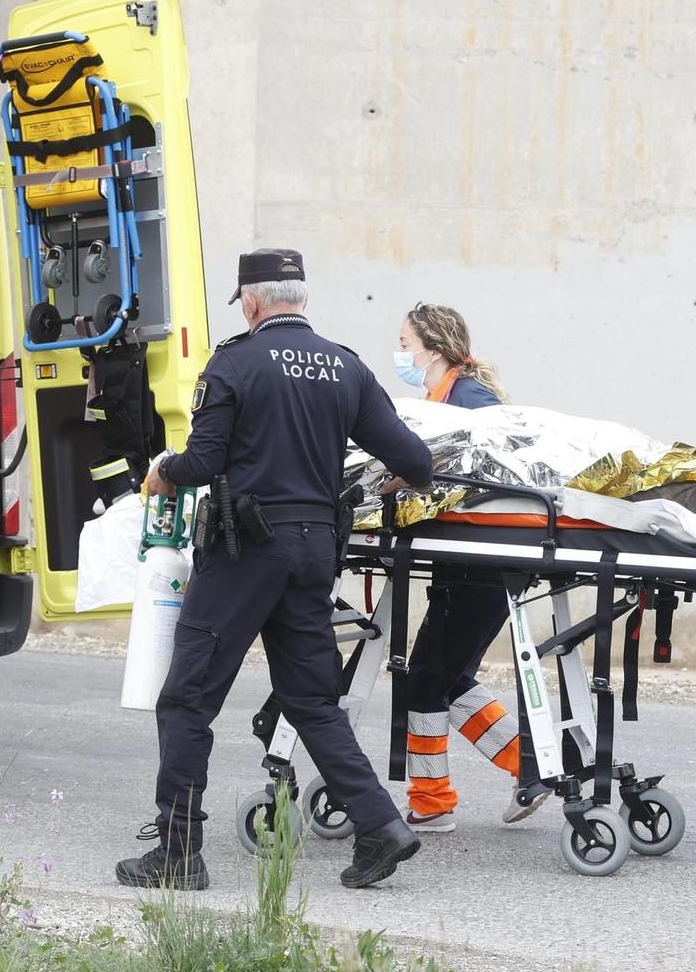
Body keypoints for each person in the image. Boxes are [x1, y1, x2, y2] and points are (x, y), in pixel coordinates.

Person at [120, 249, 435, 891]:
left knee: (185, 700)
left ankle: (179, 853)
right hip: (315, 549)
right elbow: (416, 461)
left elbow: (204, 460)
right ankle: (380, 827)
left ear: (253, 301)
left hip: (245, 553)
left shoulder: (235, 362)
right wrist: (362, 491)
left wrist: (163, 473)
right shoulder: (345, 366)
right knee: (313, 700)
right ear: (301, 297)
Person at [393, 303, 549, 832]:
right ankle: (536, 766)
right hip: (469, 562)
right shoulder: (445, 398)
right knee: (449, 678)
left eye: (405, 343)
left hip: (481, 563)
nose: (401, 354)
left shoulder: (468, 399)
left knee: (426, 681)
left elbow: (503, 462)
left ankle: (432, 803)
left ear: (432, 350)